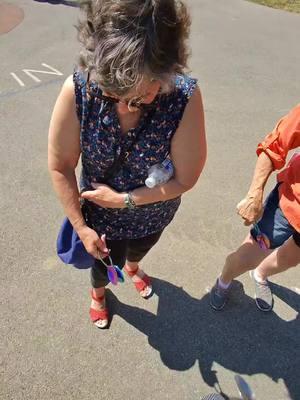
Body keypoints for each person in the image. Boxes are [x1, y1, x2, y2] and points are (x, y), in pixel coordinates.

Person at [48, 0, 206, 328]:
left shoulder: (183, 96)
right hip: (100, 222)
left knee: (140, 250)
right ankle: (99, 293)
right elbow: (61, 164)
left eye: (140, 97)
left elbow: (186, 179)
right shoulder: (80, 88)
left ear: (169, 69)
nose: (125, 107)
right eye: (112, 95)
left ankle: (133, 267)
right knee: (103, 266)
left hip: (154, 213)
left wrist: (124, 200)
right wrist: (81, 227)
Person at [210, 105, 300, 312]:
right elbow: (275, 146)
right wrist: (255, 193)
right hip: (289, 205)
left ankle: (260, 275)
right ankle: (224, 281)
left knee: (290, 260)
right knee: (247, 256)